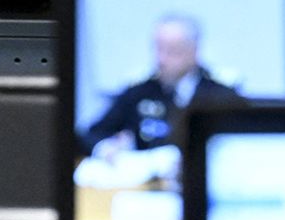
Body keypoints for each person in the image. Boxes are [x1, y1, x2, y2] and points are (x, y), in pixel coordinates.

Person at [79, 14, 246, 155]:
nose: (162, 59)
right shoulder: (139, 92)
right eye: (159, 49)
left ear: (194, 51)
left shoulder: (222, 94)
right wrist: (105, 149)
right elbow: (91, 134)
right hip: (148, 185)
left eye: (173, 51)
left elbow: (242, 144)